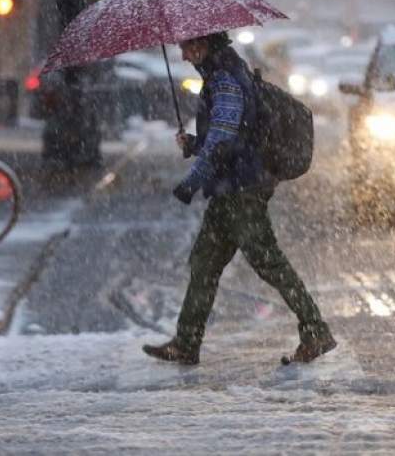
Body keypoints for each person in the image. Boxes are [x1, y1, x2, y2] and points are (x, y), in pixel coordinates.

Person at [143, 32, 336, 365]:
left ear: (204, 44)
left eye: (187, 47)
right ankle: (186, 342)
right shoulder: (225, 74)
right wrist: (193, 144)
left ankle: (315, 330)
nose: (184, 56)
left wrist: (191, 182)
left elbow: (223, 140)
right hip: (229, 190)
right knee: (204, 264)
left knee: (269, 263)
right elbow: (226, 136)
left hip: (241, 191)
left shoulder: (225, 81)